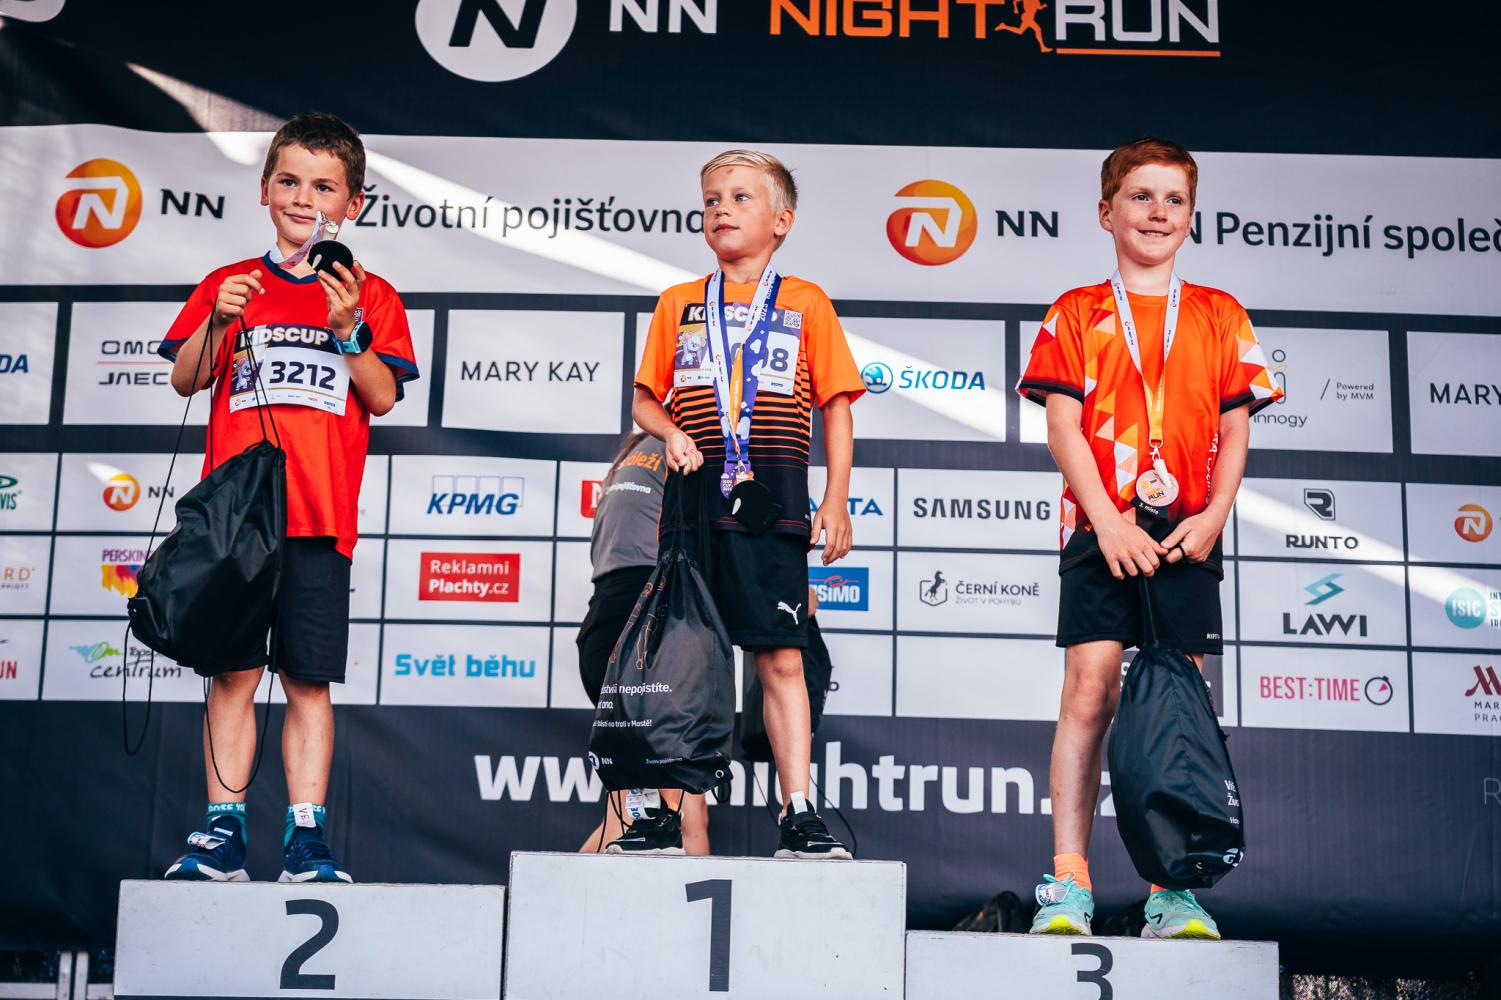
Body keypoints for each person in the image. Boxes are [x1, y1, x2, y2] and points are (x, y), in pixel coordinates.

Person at [1016, 137, 1281, 937]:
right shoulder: (1075, 310)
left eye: (1173, 199)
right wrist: (1106, 520)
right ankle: (1068, 881)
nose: (1157, 212)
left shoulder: (1219, 313)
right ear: (1106, 212)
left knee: (1176, 705)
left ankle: (1172, 889)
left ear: (1191, 216)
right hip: (1099, 525)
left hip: (1188, 531)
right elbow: (1062, 427)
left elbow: (1235, 430)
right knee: (1089, 690)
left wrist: (1215, 515)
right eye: (1140, 196)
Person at [157, 113, 419, 883]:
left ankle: (306, 838)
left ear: (354, 204)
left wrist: (346, 329)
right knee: (232, 675)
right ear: (265, 189)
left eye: (324, 187)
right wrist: (218, 319)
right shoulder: (229, 282)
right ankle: (223, 832)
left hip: (319, 518)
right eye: (290, 181)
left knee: (307, 681)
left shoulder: (371, 294)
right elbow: (186, 378)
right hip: (237, 523)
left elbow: (381, 397)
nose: (305, 199)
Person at [629, 149, 864, 859]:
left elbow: (836, 405)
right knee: (680, 662)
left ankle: (799, 814)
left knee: (782, 658)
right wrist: (671, 431)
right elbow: (645, 399)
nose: (720, 209)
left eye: (739, 197)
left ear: (781, 220)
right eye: (710, 199)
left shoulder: (806, 301)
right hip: (693, 503)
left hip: (773, 500)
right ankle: (666, 814)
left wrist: (836, 499)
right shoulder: (678, 302)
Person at [576, 431, 709, 856]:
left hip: (605, 630)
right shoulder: (685, 446)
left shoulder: (633, 454)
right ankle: (548, 894)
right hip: (645, 625)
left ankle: (548, 895)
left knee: (644, 814)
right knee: (673, 814)